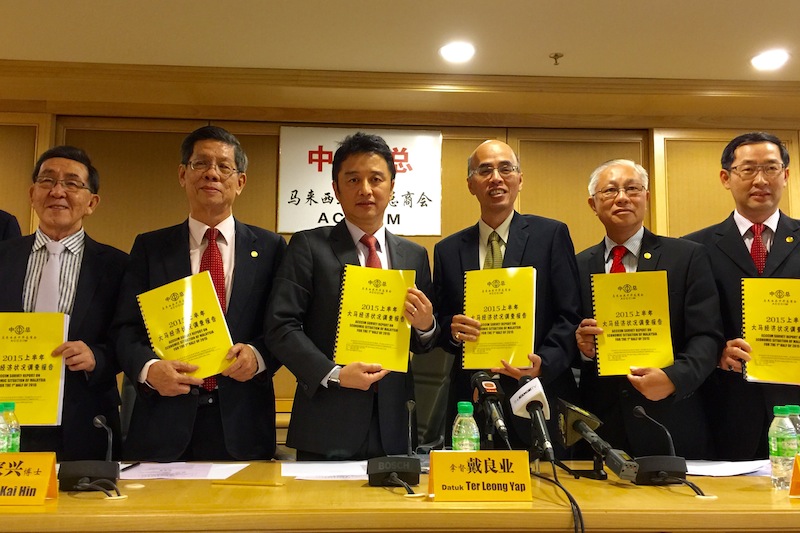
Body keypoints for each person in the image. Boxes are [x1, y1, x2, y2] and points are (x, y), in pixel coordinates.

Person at [113, 126, 286, 461]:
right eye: (201, 164)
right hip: (163, 422)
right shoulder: (150, 248)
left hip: (243, 424)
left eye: (224, 166)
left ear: (240, 181)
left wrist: (259, 356)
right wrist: (149, 369)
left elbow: (284, 327)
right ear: (183, 174)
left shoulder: (270, 248)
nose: (212, 173)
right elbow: (125, 328)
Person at [265, 132, 439, 460]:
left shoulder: (414, 256)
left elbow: (422, 343)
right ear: (336, 188)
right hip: (326, 420)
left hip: (394, 425)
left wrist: (426, 325)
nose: (365, 189)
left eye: (376, 179)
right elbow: (281, 326)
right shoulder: (308, 246)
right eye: (353, 179)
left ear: (392, 186)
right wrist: (333, 374)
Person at [433, 140, 582, 454]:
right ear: (470, 184)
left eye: (505, 169)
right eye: (485, 170)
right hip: (472, 403)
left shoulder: (550, 235)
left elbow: (570, 314)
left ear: (519, 179)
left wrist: (544, 363)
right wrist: (452, 329)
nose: (496, 178)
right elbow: (442, 323)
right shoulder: (448, 250)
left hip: (537, 396)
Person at [575, 159, 723, 459]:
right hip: (601, 427)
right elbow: (564, 333)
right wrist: (582, 348)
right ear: (593, 204)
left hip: (670, 419)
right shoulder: (577, 265)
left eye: (632, 188)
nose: (622, 197)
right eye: (610, 190)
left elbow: (707, 336)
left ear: (646, 197)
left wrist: (674, 378)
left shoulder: (687, 257)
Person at [0, 146, 127, 460]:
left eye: (72, 183)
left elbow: (130, 338)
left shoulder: (118, 266)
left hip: (86, 418)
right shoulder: (3, 257)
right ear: (32, 194)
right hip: (8, 418)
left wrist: (97, 357)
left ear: (91, 202)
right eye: (47, 181)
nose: (57, 191)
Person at [685, 132, 800, 460]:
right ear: (726, 178)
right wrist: (716, 352)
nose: (760, 180)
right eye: (748, 169)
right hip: (725, 408)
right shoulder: (692, 249)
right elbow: (683, 329)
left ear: (786, 175)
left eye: (771, 168)